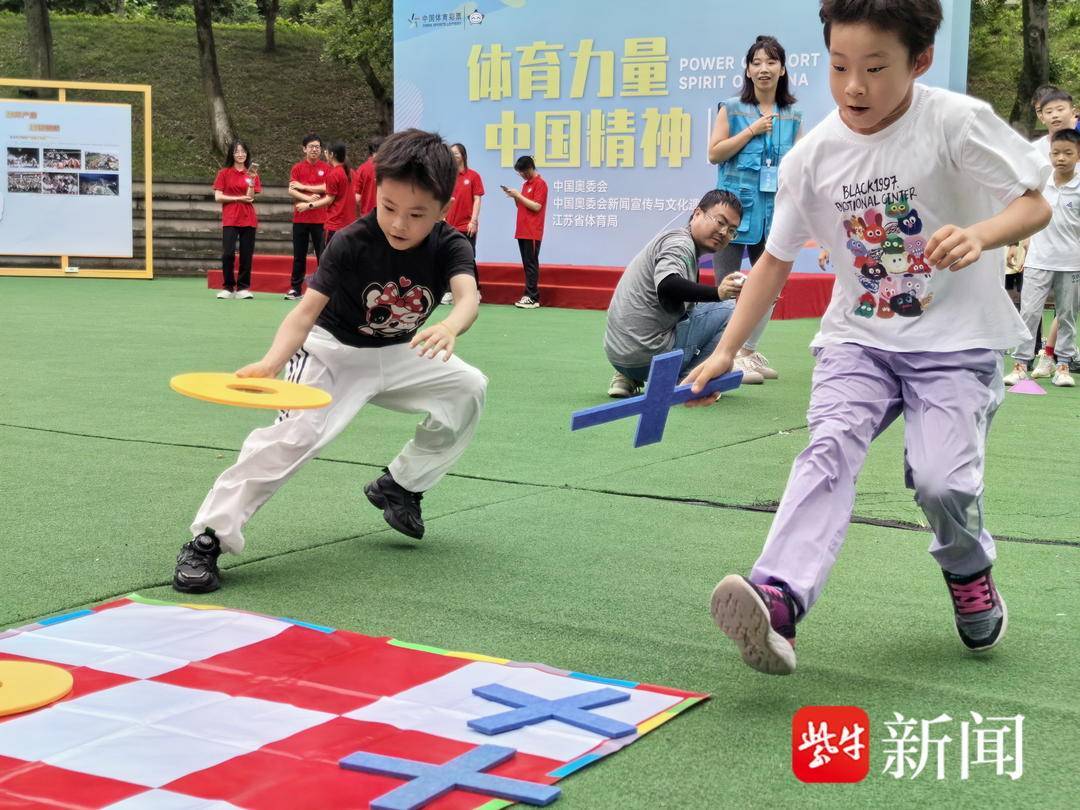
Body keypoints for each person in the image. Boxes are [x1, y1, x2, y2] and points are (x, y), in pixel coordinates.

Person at [684, 0, 1051, 675]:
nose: (855, 87)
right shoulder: (814, 156)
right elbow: (773, 261)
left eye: (876, 69)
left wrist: (979, 234)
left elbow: (1034, 200)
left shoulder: (955, 123)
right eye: (841, 66)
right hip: (860, 340)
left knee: (941, 484)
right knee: (827, 447)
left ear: (918, 62)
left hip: (956, 343)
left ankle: (968, 569)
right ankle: (780, 596)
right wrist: (728, 348)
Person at [173, 129, 486, 594]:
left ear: (443, 210)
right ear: (375, 195)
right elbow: (304, 313)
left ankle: (401, 485)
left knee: (468, 388)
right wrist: (270, 362)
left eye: (417, 214)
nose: (399, 224)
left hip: (402, 352)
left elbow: (468, 297)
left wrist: (450, 326)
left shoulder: (450, 244)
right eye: (388, 207)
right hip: (332, 353)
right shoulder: (352, 240)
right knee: (293, 436)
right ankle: (208, 539)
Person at [708, 35, 803, 383]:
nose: (764, 69)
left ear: (782, 69)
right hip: (732, 214)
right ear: (748, 70)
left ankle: (746, 351)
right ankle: (723, 356)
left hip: (774, 213)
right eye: (757, 62)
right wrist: (751, 130)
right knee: (728, 285)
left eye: (771, 62)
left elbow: (800, 164)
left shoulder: (793, 114)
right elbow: (714, 153)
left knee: (772, 284)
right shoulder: (731, 108)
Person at [604, 190, 746, 398]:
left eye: (732, 230)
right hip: (650, 357)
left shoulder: (678, 243)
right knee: (732, 308)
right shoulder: (679, 244)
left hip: (618, 355)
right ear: (697, 213)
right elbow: (668, 285)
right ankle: (690, 380)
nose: (724, 232)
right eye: (720, 222)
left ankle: (626, 377)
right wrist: (719, 293)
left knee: (693, 312)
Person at [1004, 128, 1080, 389]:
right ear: (1049, 155)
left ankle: (1063, 366)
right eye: (1056, 153)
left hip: (1072, 262)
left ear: (1078, 155)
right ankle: (1020, 365)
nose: (1061, 158)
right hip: (1038, 260)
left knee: (1067, 315)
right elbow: (1022, 213)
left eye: (1068, 153)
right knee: (1029, 312)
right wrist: (1014, 243)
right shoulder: (1040, 183)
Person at [212, 139, 262, 300]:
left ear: (247, 154)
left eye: (243, 151)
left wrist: (252, 182)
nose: (240, 154)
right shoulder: (224, 173)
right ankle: (228, 287)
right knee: (228, 253)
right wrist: (237, 198)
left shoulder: (251, 174)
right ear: (232, 154)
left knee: (246, 255)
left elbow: (251, 198)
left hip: (248, 218)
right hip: (231, 218)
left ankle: (243, 288)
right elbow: (218, 196)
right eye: (237, 152)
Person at [286, 133, 331, 301]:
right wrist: (309, 198)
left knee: (323, 255)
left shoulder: (327, 168)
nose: (314, 150)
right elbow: (291, 190)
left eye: (317, 147)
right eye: (311, 147)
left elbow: (328, 187)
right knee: (299, 255)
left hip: (321, 219)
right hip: (300, 218)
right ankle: (295, 288)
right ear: (304, 149)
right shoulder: (297, 168)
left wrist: (304, 187)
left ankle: (322, 290)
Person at [441, 142, 485, 305]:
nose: (453, 156)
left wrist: (473, 220)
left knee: (468, 258)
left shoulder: (473, 176)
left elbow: (477, 198)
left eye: (456, 153)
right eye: (451, 153)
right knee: (448, 258)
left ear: (463, 156)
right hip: (449, 225)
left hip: (466, 225)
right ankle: (449, 291)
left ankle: (475, 290)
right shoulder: (448, 177)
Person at [505, 155, 547, 309]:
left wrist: (519, 196)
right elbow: (522, 206)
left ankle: (532, 296)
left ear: (530, 168)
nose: (521, 174)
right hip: (522, 230)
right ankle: (529, 295)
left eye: (522, 171)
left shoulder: (540, 184)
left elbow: (536, 206)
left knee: (531, 264)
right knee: (527, 263)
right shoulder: (526, 185)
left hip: (532, 231)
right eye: (519, 173)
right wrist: (515, 197)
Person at [323, 142, 354, 243]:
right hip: (348, 223)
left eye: (326, 152)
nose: (325, 153)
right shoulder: (350, 172)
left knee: (330, 257)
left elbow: (329, 200)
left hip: (335, 223)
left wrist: (309, 205)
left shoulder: (334, 174)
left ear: (332, 155)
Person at [354, 134, 384, 219]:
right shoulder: (391, 168)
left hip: (367, 216)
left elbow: (357, 198)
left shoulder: (362, 168)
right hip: (386, 216)